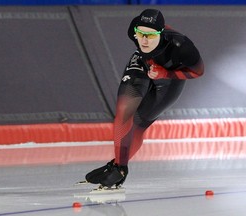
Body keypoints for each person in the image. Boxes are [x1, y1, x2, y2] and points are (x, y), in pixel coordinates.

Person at [85, 8, 204, 188]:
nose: (145, 40)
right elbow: (142, 43)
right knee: (124, 111)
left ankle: (118, 165)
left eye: (151, 35)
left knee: (139, 123)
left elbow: (198, 71)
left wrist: (165, 73)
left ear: (161, 33)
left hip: (168, 77)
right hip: (143, 64)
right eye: (140, 34)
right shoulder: (133, 30)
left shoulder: (181, 46)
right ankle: (120, 167)